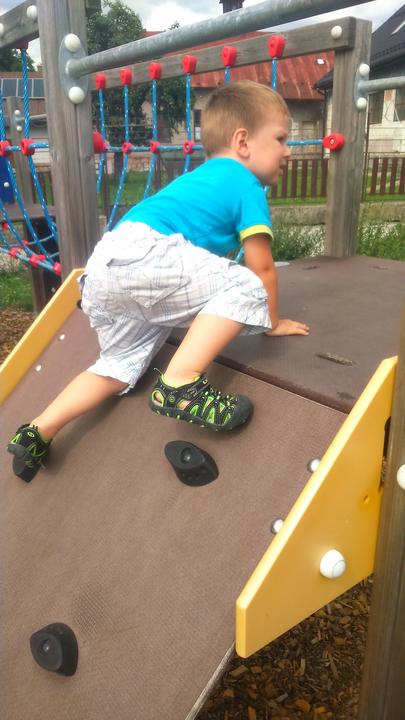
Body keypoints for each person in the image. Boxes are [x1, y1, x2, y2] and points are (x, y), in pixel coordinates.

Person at [7, 80, 309, 478]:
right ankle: (181, 383)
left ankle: (37, 432)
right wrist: (272, 321)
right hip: (146, 256)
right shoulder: (244, 182)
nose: (288, 150)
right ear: (243, 142)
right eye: (281, 138)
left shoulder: (202, 178)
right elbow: (262, 265)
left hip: (104, 268)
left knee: (117, 367)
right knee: (246, 285)